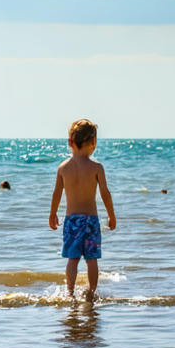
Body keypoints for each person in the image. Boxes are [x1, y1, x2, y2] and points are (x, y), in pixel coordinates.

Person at [49, 119, 116, 303]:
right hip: (91, 222)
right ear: (93, 143)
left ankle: (69, 293)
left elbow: (56, 194)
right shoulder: (97, 168)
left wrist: (53, 214)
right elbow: (105, 194)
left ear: (70, 142)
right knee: (92, 259)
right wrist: (111, 214)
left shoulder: (63, 167)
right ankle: (92, 293)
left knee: (72, 259)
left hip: (72, 221)